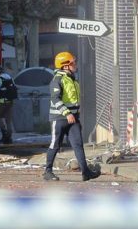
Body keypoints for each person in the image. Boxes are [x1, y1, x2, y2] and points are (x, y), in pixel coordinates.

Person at [43, 52, 100, 182]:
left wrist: (73, 114)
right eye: (72, 63)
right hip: (59, 119)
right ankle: (48, 171)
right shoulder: (57, 79)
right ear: (65, 66)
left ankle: (86, 172)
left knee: (78, 144)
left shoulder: (71, 78)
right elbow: (55, 98)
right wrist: (67, 113)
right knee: (55, 144)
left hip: (73, 118)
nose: (75, 65)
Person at [0, 65, 17, 144]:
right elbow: (14, 87)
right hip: (10, 102)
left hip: (1, 102)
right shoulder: (10, 78)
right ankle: (9, 137)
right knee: (8, 120)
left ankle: (4, 133)